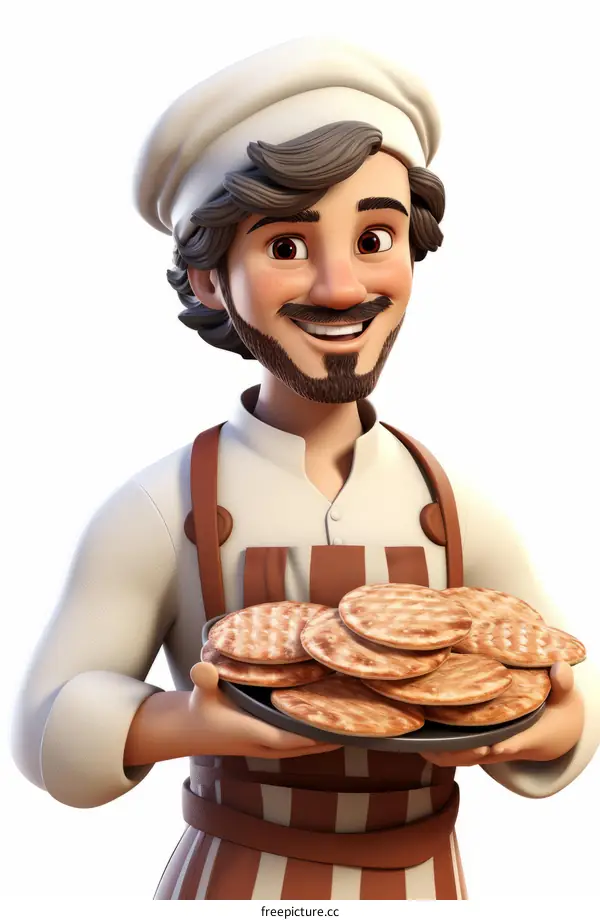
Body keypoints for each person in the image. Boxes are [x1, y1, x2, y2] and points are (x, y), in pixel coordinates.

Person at [11, 37, 600, 900]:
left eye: (373, 236)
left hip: (426, 887)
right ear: (211, 280)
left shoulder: (454, 504)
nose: (337, 286)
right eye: (286, 246)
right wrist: (185, 722)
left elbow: (563, 686)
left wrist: (552, 729)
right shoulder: (159, 507)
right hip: (234, 880)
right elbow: (44, 727)